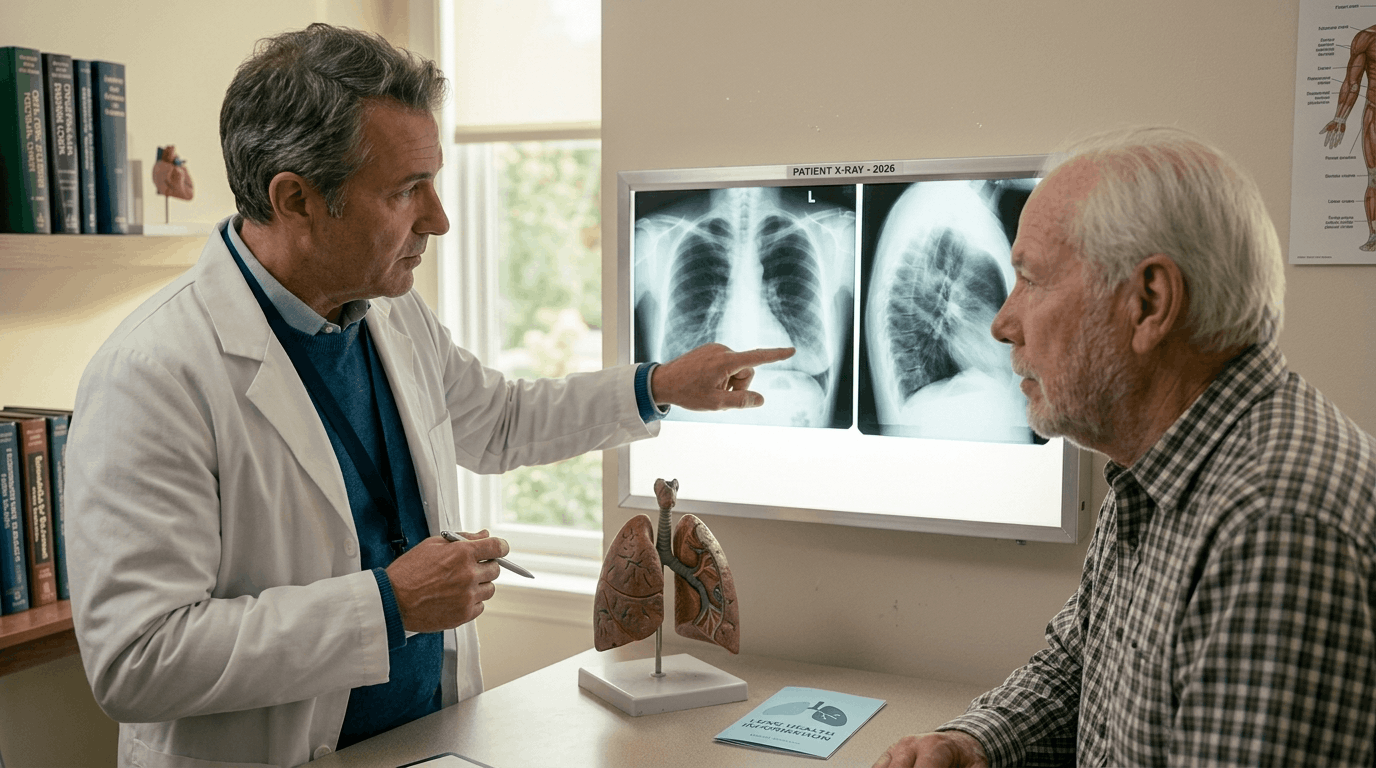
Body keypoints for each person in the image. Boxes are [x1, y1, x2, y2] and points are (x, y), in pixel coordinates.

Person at [64, 24, 792, 768]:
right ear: (297, 199)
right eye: (406, 190)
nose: (439, 219)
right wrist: (388, 606)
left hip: (429, 746)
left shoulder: (386, 309)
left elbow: (498, 423)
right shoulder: (153, 375)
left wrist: (659, 386)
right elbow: (137, 659)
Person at [874, 127, 1376, 768]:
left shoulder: (1274, 524)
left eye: (1030, 280)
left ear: (1148, 303)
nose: (1002, 323)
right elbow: (1081, 664)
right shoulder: (1163, 459)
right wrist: (971, 743)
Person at [1322, 24, 1376, 251]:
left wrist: (1341, 118)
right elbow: (1352, 83)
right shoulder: (1366, 38)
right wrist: (1340, 117)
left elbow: (1353, 84)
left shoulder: (1367, 37)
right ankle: (1374, 235)